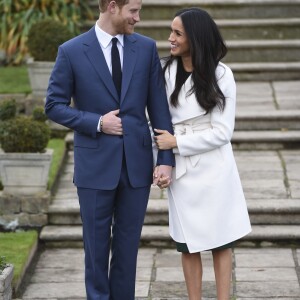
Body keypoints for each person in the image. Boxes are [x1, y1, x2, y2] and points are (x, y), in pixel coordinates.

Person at [45, 0, 175, 299]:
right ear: (113, 7)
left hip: (137, 165)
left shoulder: (144, 49)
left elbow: (159, 109)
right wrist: (98, 122)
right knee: (96, 248)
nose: (138, 18)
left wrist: (165, 159)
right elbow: (53, 106)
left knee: (128, 248)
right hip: (94, 166)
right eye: (133, 11)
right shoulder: (72, 51)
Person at [153, 8, 252, 300]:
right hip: (181, 171)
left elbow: (222, 132)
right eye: (171, 31)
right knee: (187, 242)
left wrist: (177, 142)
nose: (170, 38)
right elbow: (154, 119)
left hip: (214, 170)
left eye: (177, 33)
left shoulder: (222, 75)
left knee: (221, 241)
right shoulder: (163, 70)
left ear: (195, 38)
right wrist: (161, 159)